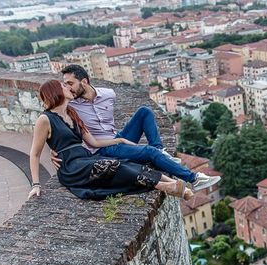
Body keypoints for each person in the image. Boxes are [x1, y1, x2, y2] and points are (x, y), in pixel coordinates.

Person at [58, 64, 219, 192]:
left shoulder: (108, 94)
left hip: (117, 138)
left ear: (84, 81)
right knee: (149, 152)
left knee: (144, 112)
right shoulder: (70, 105)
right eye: (65, 84)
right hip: (103, 149)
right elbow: (53, 123)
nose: (67, 88)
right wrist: (55, 150)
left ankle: (159, 151)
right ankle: (194, 179)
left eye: (70, 83)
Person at [28, 79, 194, 201]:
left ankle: (176, 185)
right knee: (112, 166)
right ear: (54, 92)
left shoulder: (72, 113)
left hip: (86, 157)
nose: (68, 87)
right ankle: (165, 186)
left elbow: (93, 142)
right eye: (63, 86)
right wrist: (36, 184)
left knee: (125, 162)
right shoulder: (45, 119)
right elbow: (35, 154)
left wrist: (119, 141)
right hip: (72, 167)